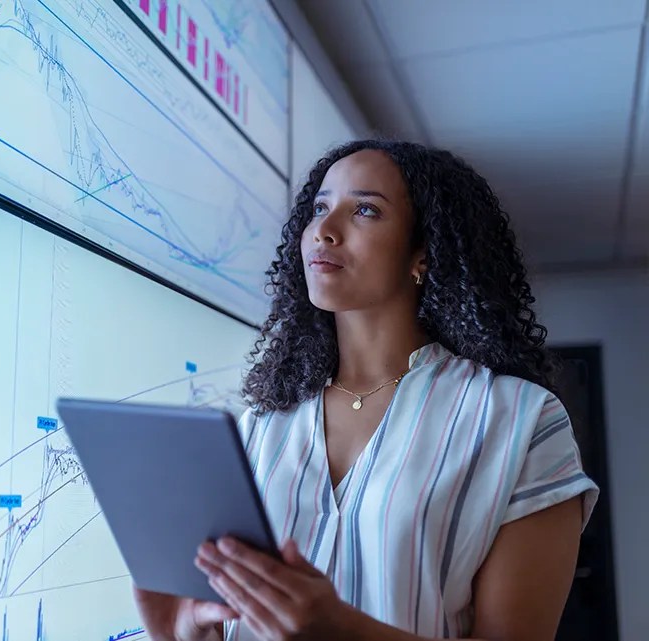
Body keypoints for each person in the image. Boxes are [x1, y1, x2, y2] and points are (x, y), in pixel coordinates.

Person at [132, 140, 599, 641]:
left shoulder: (520, 420)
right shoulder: (260, 427)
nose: (324, 232)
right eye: (319, 209)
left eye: (365, 210)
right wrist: (187, 634)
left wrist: (343, 632)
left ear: (423, 252)